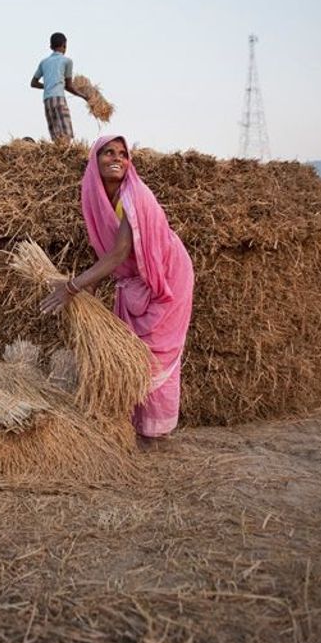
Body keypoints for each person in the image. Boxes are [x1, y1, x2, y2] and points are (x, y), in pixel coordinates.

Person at [40, 135, 194, 440]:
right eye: (108, 152)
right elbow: (105, 251)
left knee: (152, 353)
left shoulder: (134, 197)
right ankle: (134, 427)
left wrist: (71, 287)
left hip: (167, 277)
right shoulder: (97, 199)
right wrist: (89, 298)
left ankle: (156, 431)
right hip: (140, 278)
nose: (117, 159)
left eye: (123, 154)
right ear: (94, 160)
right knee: (132, 348)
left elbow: (119, 253)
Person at [30, 32, 87, 141]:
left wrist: (48, 85)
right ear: (65, 45)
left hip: (47, 101)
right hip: (59, 99)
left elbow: (33, 83)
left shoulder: (44, 62)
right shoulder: (67, 61)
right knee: (66, 134)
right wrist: (84, 96)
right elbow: (69, 86)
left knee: (56, 137)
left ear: (51, 46)